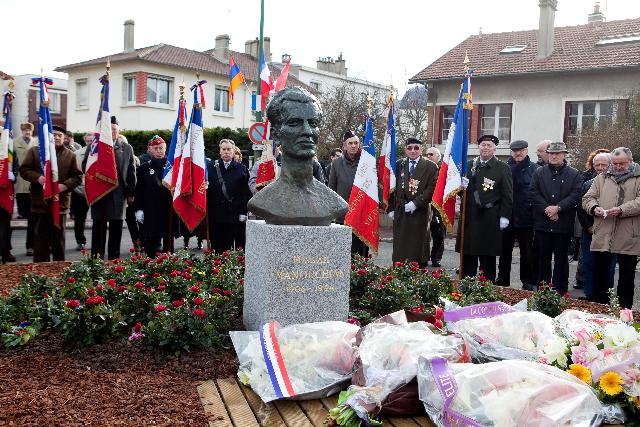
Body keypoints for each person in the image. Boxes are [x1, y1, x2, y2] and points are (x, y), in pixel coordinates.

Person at [248, 87, 347, 226]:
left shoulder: (334, 202)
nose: (307, 131)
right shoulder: (263, 201)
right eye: (294, 123)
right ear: (276, 134)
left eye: (313, 123)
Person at [583, 147, 640, 309]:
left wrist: (622, 209)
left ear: (630, 161)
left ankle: (624, 312)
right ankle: (600, 308)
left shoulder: (638, 177)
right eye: (614, 163)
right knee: (600, 275)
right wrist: (594, 208)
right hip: (603, 232)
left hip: (628, 235)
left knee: (626, 278)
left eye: (621, 163)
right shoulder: (601, 178)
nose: (617, 166)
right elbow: (587, 198)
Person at [19, 125, 82, 262]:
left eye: (60, 135)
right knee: (41, 241)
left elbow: (77, 177)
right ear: (47, 136)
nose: (57, 137)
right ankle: (40, 273)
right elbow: (24, 170)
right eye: (54, 134)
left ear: (64, 138)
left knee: (58, 241)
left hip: (60, 204)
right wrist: (38, 178)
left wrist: (65, 185)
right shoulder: (35, 152)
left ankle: (59, 270)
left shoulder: (70, 155)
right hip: (39, 203)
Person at [456, 134, 513, 283]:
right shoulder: (469, 165)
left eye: (489, 145)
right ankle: (466, 286)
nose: (486, 148)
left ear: (495, 148)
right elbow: (461, 194)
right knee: (468, 255)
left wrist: (504, 216)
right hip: (470, 217)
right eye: (483, 145)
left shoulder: (502, 168)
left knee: (487, 258)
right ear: (478, 147)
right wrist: (461, 188)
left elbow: (507, 194)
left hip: (490, 218)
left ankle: (486, 288)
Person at [530, 141, 582, 294]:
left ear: (564, 155)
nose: (554, 156)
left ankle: (560, 289)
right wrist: (548, 210)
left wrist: (558, 208)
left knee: (561, 258)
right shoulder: (539, 172)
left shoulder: (574, 174)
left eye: (557, 153)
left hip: (563, 222)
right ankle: (543, 288)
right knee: (543, 258)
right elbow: (533, 192)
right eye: (551, 153)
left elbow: (576, 194)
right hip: (543, 223)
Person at [83, 116, 136, 260]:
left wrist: (131, 193)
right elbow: (85, 166)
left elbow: (131, 172)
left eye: (114, 129)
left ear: (118, 131)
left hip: (118, 194)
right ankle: (96, 260)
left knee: (116, 228)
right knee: (98, 228)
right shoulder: (94, 146)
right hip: (99, 192)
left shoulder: (126, 148)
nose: (111, 132)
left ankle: (114, 260)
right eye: (109, 129)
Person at [496, 140, 539, 289]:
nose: (518, 153)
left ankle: (527, 281)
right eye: (515, 151)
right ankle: (502, 279)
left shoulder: (535, 169)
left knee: (527, 252)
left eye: (521, 150)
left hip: (526, 217)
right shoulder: (504, 168)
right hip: (507, 216)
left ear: (527, 151)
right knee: (504, 251)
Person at [389, 138, 438, 266]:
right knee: (401, 246)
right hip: (401, 211)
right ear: (405, 150)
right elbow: (390, 186)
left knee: (418, 245)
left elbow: (431, 188)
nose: (413, 151)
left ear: (421, 149)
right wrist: (390, 208)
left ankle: (418, 274)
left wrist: (416, 203)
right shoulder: (398, 164)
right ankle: (399, 273)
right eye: (410, 148)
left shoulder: (431, 167)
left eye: (416, 148)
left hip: (419, 213)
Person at [576, 152, 615, 301]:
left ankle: (606, 296)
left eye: (603, 165)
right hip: (591, 231)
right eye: (597, 165)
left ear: (610, 165)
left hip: (610, 231)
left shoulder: (617, 183)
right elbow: (581, 207)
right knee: (589, 263)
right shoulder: (588, 183)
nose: (600, 168)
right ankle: (590, 294)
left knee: (608, 266)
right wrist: (588, 227)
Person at [207, 139, 252, 253]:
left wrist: (243, 212)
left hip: (234, 215)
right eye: (224, 149)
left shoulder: (242, 169)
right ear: (220, 151)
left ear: (233, 151)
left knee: (232, 247)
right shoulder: (210, 167)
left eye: (229, 149)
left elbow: (245, 193)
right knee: (216, 246)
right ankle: (216, 268)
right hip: (215, 214)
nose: (226, 152)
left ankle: (229, 269)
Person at [134, 136, 176, 257]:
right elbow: (139, 191)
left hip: (168, 209)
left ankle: (170, 268)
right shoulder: (144, 168)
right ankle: (151, 267)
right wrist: (138, 209)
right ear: (150, 150)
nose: (159, 151)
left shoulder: (172, 167)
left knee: (168, 243)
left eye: (161, 148)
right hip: (150, 210)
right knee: (151, 243)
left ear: (165, 149)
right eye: (156, 148)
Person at [328, 130, 369, 256]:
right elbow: (332, 188)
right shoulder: (336, 163)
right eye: (350, 143)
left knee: (360, 252)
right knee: (343, 251)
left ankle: (360, 274)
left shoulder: (366, 162)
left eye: (356, 143)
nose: (353, 146)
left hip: (362, 214)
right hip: (343, 215)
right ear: (344, 146)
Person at [13, 122, 36, 257]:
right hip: (20, 184)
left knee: (33, 218)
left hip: (33, 184)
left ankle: (31, 246)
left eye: (29, 130)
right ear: (22, 131)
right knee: (24, 214)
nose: (27, 132)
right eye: (25, 130)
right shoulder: (14, 142)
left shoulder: (37, 142)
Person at [71, 132, 92, 250]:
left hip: (97, 191)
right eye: (88, 141)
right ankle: (80, 241)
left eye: (92, 141)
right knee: (79, 218)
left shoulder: (101, 153)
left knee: (99, 218)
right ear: (85, 141)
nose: (90, 143)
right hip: (80, 190)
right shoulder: (76, 154)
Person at [426, 147, 445, 267]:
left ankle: (436, 258)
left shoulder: (444, 171)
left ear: (438, 157)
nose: (428, 156)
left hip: (439, 207)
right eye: (427, 154)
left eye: (431, 154)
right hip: (424, 205)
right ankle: (422, 256)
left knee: (439, 235)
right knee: (423, 235)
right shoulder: (423, 169)